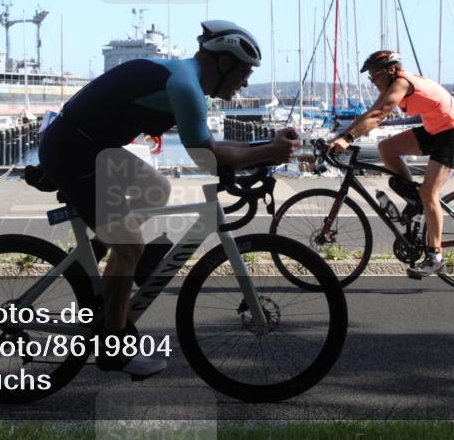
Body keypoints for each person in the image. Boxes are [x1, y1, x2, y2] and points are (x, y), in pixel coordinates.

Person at [38, 20, 299, 378]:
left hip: (91, 146)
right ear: (224, 63)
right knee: (130, 244)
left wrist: (266, 148)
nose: (245, 81)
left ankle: (106, 258)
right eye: (244, 71)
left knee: (157, 188)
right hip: (74, 151)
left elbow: (213, 146)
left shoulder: (186, 78)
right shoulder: (185, 86)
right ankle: (113, 347)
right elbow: (206, 156)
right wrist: (267, 151)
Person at [328, 50, 454, 278]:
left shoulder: (402, 83)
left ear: (391, 70)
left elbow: (379, 115)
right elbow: (369, 113)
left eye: (375, 74)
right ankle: (415, 201)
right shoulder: (392, 86)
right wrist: (339, 136)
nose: (373, 80)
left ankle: (435, 257)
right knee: (387, 148)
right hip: (436, 131)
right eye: (371, 76)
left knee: (429, 193)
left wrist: (348, 139)